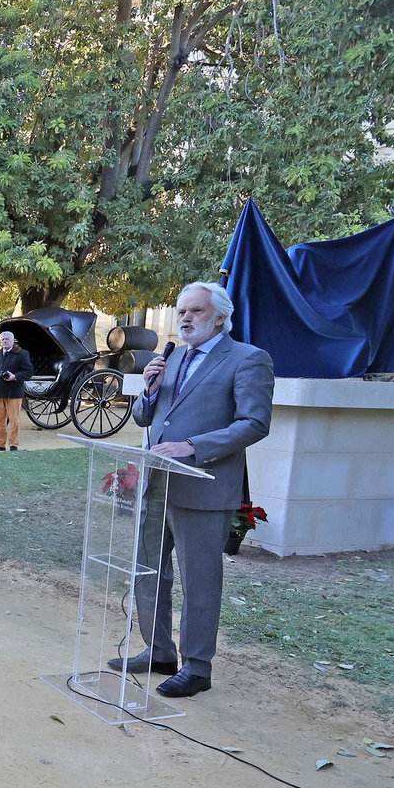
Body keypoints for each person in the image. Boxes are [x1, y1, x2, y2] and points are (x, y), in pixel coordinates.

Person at [112, 281, 275, 699]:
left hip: (203, 489)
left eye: (197, 311)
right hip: (157, 483)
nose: (186, 318)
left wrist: (194, 447)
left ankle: (197, 666)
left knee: (199, 581)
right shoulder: (174, 357)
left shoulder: (247, 359)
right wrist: (147, 390)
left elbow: (254, 423)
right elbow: (149, 418)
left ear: (221, 316)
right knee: (148, 571)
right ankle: (159, 651)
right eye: (182, 311)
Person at [0, 330, 33, 452]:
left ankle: (14, 444)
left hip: (13, 393)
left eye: (7, 339)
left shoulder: (22, 354)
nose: (5, 341)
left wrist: (15, 377)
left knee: (14, 420)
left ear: (13, 341)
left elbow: (29, 372)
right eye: (3, 339)